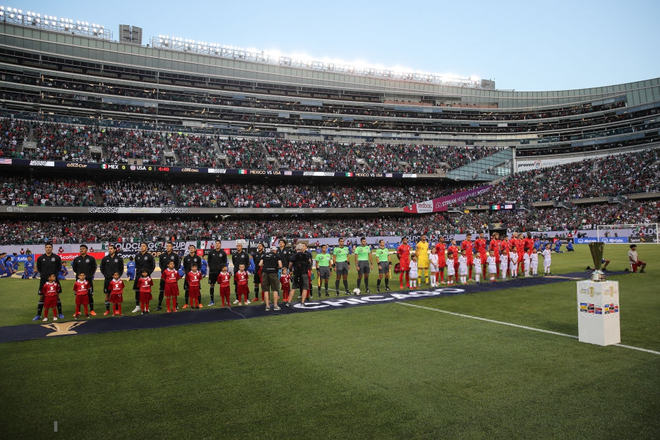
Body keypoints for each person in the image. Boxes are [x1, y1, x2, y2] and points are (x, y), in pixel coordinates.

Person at [34, 243, 64, 321]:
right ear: (45, 248)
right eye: (46, 247)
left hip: (54, 280)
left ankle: (60, 313)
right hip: (44, 280)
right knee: (41, 297)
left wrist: (53, 276)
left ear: (52, 248)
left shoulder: (56, 257)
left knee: (57, 296)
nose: (48, 249)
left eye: (49, 247)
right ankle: (38, 315)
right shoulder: (40, 258)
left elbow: (59, 267)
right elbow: (39, 268)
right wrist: (45, 275)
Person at [72, 244, 98, 316]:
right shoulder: (76, 259)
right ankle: (78, 311)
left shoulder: (91, 258)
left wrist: (90, 274)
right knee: (78, 296)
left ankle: (92, 310)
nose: (81, 250)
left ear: (86, 250)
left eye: (83, 249)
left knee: (90, 295)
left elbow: (94, 267)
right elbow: (74, 268)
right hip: (79, 281)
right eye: (80, 249)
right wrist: (79, 275)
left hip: (88, 280)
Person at [100, 244, 124, 316]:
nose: (110, 250)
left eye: (111, 249)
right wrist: (106, 275)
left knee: (116, 294)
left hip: (116, 280)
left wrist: (118, 276)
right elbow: (102, 268)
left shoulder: (119, 259)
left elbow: (121, 268)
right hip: (107, 279)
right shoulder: (105, 259)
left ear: (115, 250)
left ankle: (116, 309)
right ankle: (107, 310)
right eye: (109, 249)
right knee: (107, 294)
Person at [157, 242, 181, 311]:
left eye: (169, 246)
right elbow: (160, 265)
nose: (168, 247)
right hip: (165, 276)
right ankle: (159, 305)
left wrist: (173, 272)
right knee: (161, 290)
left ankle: (175, 305)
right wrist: (166, 272)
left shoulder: (175, 256)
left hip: (172, 277)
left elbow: (178, 265)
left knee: (174, 292)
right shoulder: (162, 256)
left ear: (172, 247)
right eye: (167, 246)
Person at [132, 243, 155, 313]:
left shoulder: (150, 256)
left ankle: (146, 307)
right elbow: (136, 266)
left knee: (146, 292)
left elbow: (152, 266)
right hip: (138, 276)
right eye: (141, 246)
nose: (142, 247)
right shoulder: (137, 256)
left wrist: (148, 274)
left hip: (146, 277)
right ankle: (137, 306)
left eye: (144, 246)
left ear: (147, 247)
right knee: (137, 291)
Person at [260, 246, 282, 311]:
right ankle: (275, 306)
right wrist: (275, 267)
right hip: (273, 272)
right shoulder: (277, 256)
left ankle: (267, 306)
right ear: (275, 250)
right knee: (275, 289)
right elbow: (280, 265)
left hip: (265, 272)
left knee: (266, 290)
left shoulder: (264, 255)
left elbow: (260, 264)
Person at [207, 240, 228, 307]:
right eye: (216, 243)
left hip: (220, 273)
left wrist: (223, 270)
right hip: (212, 272)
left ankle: (225, 300)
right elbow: (209, 262)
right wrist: (212, 268)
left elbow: (224, 263)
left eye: (218, 243)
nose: (217, 244)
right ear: (215, 245)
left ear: (220, 245)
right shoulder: (211, 252)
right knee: (212, 286)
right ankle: (212, 300)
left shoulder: (223, 253)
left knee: (223, 286)